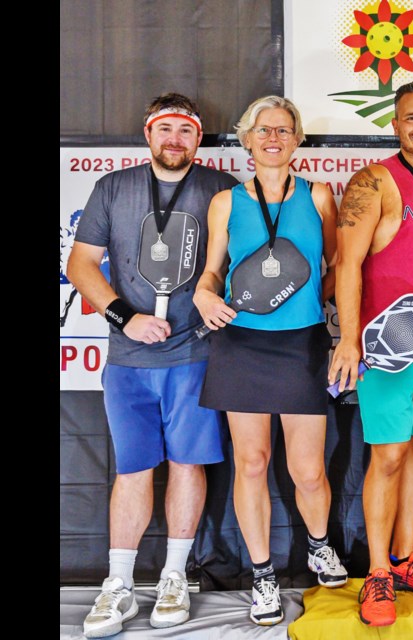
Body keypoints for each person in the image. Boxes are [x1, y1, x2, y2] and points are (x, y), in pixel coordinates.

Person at [67, 93, 238, 637]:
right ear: (148, 135)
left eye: (185, 131)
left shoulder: (221, 190)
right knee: (133, 469)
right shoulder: (112, 188)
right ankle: (118, 584)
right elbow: (81, 264)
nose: (174, 140)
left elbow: (246, 261)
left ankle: (173, 576)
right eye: (164, 129)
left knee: (188, 463)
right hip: (129, 356)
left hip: (195, 353)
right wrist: (124, 317)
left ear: (199, 138)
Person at [193, 95, 347, 626]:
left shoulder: (320, 195)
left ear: (297, 139)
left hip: (301, 342)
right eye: (263, 130)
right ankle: (262, 576)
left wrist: (314, 302)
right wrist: (204, 296)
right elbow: (213, 272)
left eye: (283, 129)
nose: (273, 138)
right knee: (252, 463)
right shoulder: (226, 203)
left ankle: (319, 545)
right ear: (247, 139)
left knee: (307, 470)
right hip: (241, 343)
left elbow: (337, 267)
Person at [328, 81, 413, 627]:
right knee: (387, 456)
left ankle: (408, 559)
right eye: (411, 117)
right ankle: (378, 572)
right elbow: (346, 264)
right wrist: (347, 338)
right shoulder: (372, 182)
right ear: (395, 124)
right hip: (386, 350)